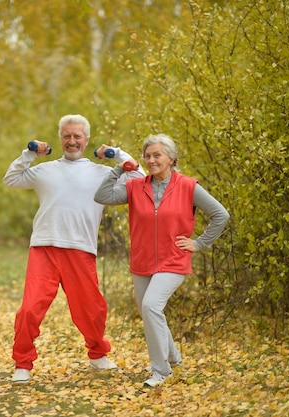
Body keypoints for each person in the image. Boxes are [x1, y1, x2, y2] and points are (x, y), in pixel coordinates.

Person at [3, 114, 145, 384]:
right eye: (67, 136)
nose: (71, 141)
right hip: (44, 247)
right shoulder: (45, 170)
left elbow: (140, 176)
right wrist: (30, 153)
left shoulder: (102, 173)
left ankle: (97, 354)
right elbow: (11, 178)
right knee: (29, 310)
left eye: (77, 136)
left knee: (91, 309)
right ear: (60, 138)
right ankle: (22, 363)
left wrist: (115, 154)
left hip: (80, 248)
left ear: (86, 139)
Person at [94, 133, 230, 387]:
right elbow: (102, 196)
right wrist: (117, 170)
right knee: (149, 311)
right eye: (148, 156)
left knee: (151, 306)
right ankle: (173, 358)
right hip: (142, 259)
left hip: (174, 259)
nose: (151, 160)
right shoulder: (136, 186)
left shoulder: (188, 186)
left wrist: (199, 243)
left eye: (157, 155)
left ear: (171, 158)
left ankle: (161, 370)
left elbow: (220, 214)